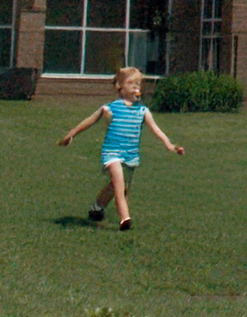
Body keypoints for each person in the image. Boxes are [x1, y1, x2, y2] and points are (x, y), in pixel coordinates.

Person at [59, 66, 185, 230]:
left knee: (119, 187)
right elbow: (88, 122)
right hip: (112, 153)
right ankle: (125, 219)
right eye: (131, 83)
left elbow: (156, 130)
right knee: (118, 184)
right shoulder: (110, 108)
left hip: (130, 155)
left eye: (138, 84)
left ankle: (97, 208)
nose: (136, 87)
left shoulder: (142, 111)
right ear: (119, 86)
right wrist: (70, 135)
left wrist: (170, 145)